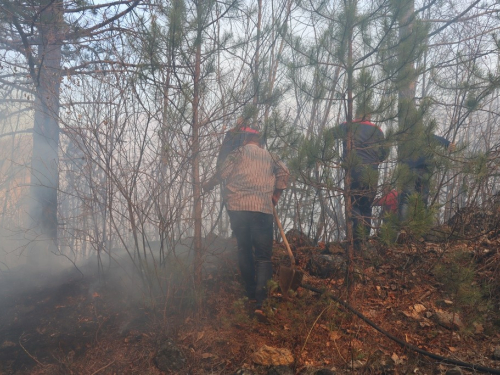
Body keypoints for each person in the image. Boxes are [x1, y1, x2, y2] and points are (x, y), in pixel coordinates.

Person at [203, 125, 289, 315]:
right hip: (262, 210)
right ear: (259, 141)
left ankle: (250, 293)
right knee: (263, 257)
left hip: (238, 209)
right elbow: (284, 172)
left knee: (244, 249)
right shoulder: (270, 156)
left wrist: (206, 186)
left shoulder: (237, 153)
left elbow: (221, 174)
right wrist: (276, 195)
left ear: (244, 139)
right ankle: (261, 303)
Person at [332, 112, 389, 248]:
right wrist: (376, 160)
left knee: (354, 204)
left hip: (354, 172)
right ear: (369, 117)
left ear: (356, 115)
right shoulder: (378, 130)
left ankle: (356, 241)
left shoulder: (348, 126)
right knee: (366, 206)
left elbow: (329, 135)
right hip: (372, 173)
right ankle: (363, 240)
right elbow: (385, 152)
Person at [398, 133, 454, 221]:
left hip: (409, 170)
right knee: (422, 200)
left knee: (406, 199)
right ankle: (419, 227)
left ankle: (403, 228)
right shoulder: (426, 134)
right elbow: (442, 141)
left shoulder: (407, 135)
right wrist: (448, 144)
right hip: (424, 170)